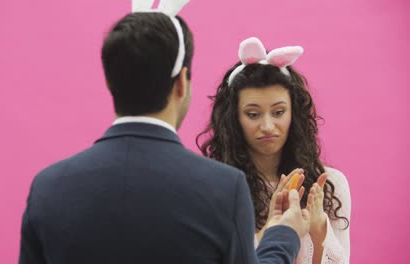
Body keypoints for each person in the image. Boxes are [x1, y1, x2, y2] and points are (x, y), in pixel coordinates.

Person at [19, 1, 311, 263]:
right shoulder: (223, 189)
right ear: (182, 82)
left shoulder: (48, 188)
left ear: (110, 82)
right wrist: (282, 235)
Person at [197, 37, 351, 264]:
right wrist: (274, 232)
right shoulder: (215, 188)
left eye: (278, 112)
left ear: (294, 114)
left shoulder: (330, 185)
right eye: (253, 114)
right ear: (234, 119)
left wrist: (319, 233)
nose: (268, 126)